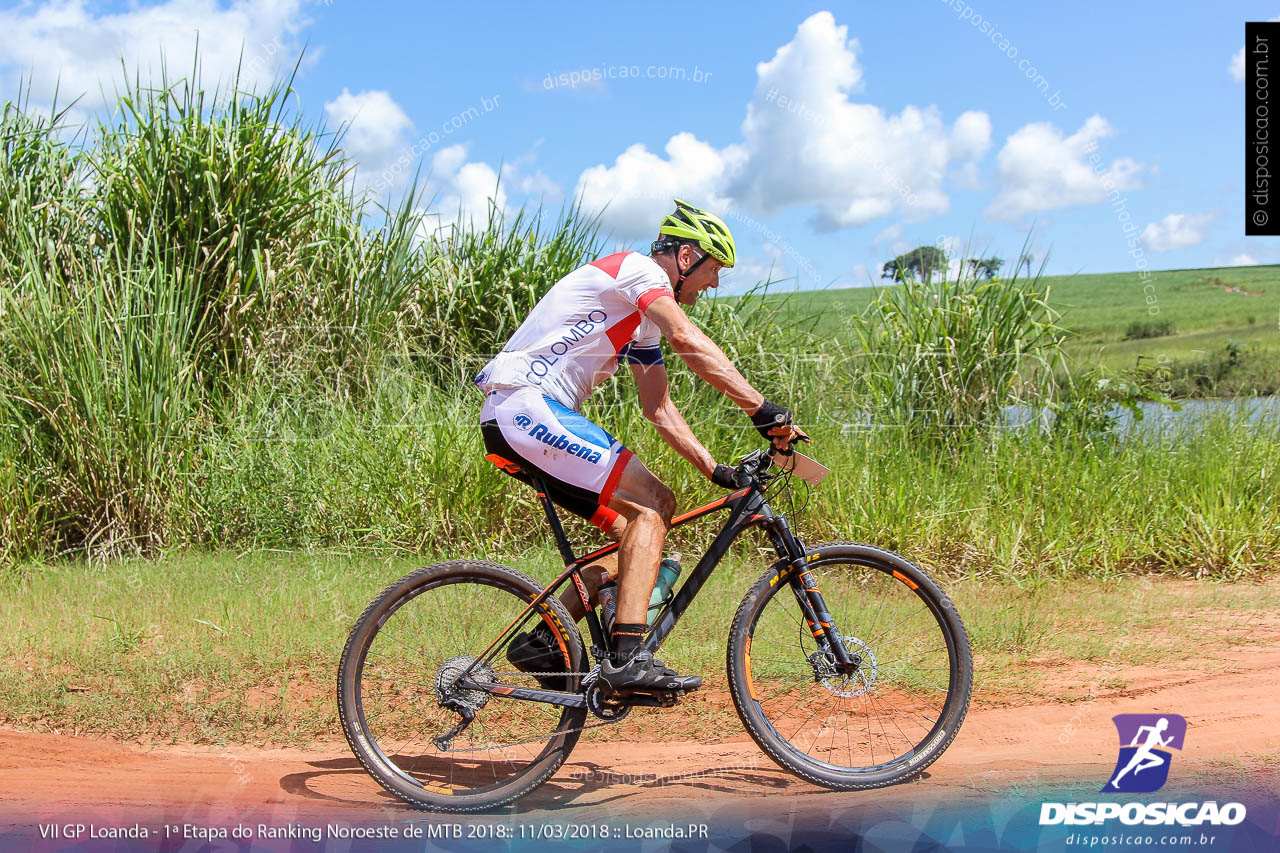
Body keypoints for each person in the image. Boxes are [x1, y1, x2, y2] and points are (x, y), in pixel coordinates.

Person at [474, 199, 805, 696]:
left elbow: (660, 409)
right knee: (654, 506)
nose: (713, 284)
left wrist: (716, 471)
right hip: (526, 405)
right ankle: (628, 660)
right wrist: (761, 408)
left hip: (521, 416)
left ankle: (543, 641)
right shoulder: (636, 271)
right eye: (713, 270)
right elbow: (686, 338)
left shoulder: (639, 322)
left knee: (636, 529)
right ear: (687, 257)